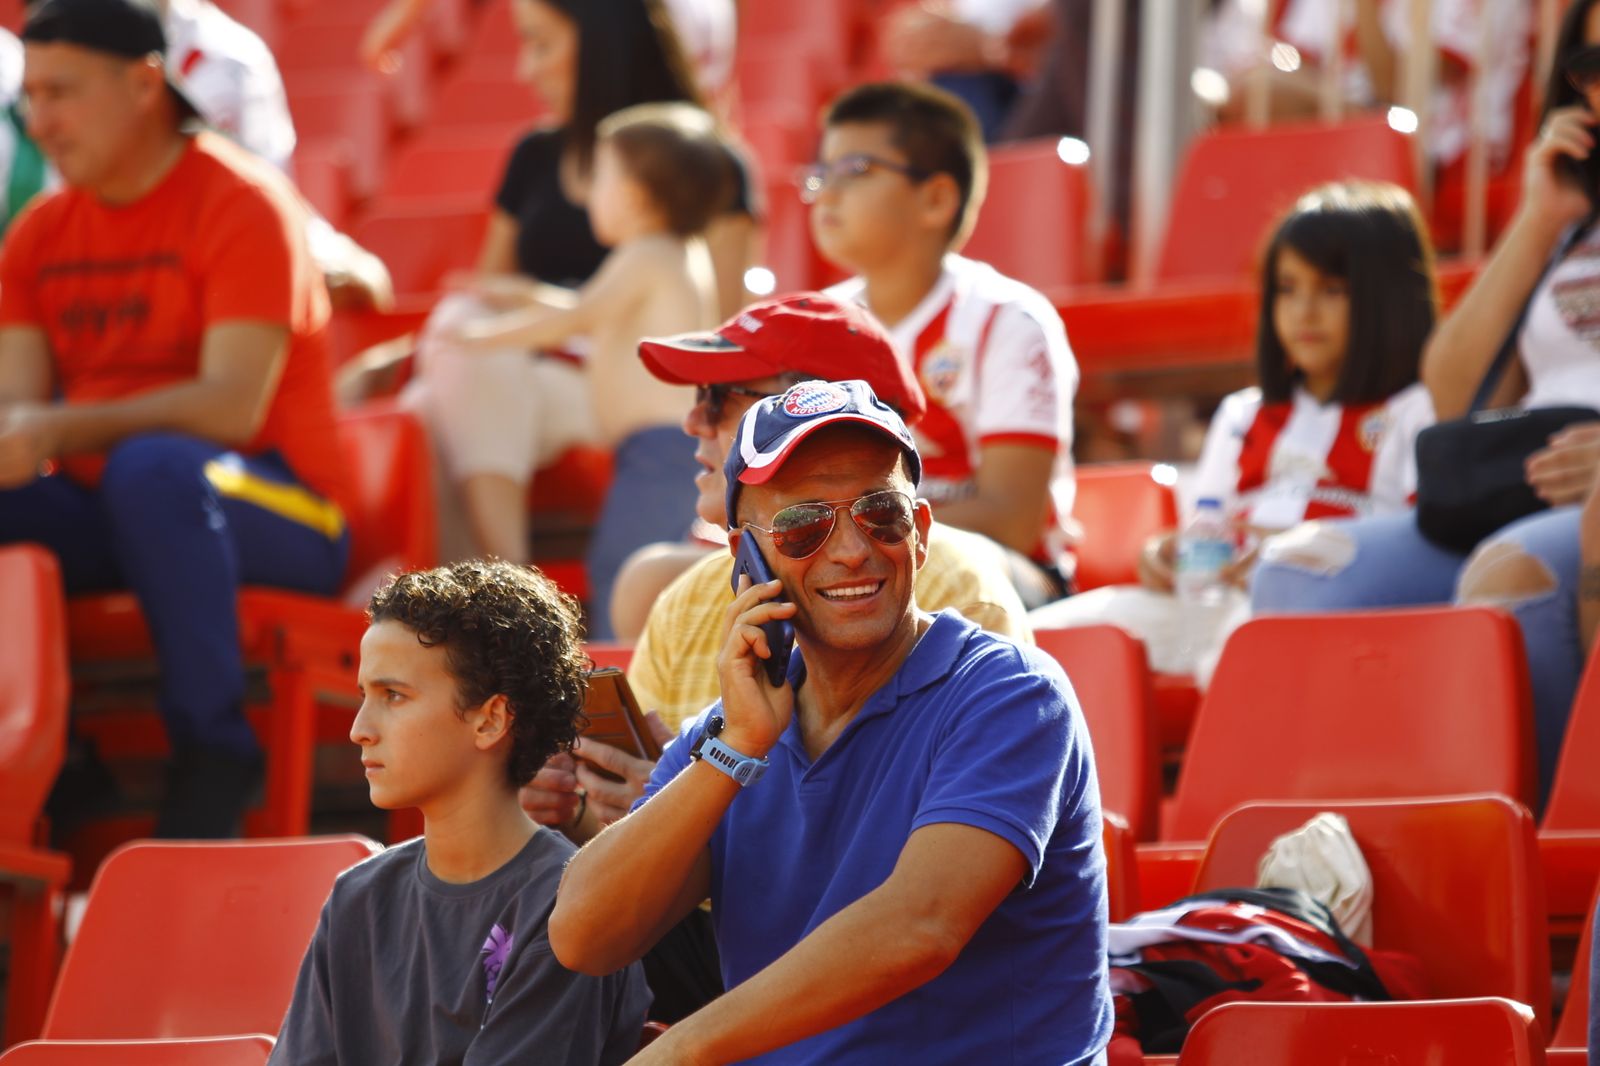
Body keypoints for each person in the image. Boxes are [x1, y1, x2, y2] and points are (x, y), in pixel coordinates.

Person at [549, 379, 1112, 1065]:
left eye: (882, 514)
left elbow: (920, 926)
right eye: (804, 526)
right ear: (745, 560)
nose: (851, 550)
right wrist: (738, 749)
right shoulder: (730, 734)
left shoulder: (1008, 694)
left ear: (922, 533)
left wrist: (684, 1050)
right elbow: (583, 935)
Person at [0, 0, 349, 837]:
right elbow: (19, 414)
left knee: (153, 468)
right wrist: (29, 436)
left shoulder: (243, 202)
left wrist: (52, 432)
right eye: (30, 99)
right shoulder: (37, 234)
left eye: (62, 93)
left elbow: (230, 407)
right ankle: (56, 754)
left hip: (278, 506)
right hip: (118, 504)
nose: (39, 121)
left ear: (143, 83)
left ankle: (214, 752)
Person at [1251, 0, 1600, 811]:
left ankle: (1534, 847)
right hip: (1517, 483)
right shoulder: (1568, 218)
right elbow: (1452, 390)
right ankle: (1325, 858)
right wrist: (1541, 217)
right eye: (1588, 69)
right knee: (1302, 571)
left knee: (1508, 570)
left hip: (1578, 511)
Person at [1032, 181, 1437, 678]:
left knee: (1238, 654)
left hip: (1320, 624)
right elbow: (1207, 526)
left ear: (1392, 299)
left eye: (1332, 290)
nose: (1304, 311)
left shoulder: (1417, 409)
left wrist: (1289, 551)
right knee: (1038, 642)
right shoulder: (1243, 414)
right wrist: (1165, 554)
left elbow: (1422, 546)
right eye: (1287, 289)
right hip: (1208, 606)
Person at [269, 560, 651, 1064]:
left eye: (393, 696)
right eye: (365, 696)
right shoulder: (358, 897)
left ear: (490, 720)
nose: (359, 728)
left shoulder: (566, 906)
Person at [436, 101, 733, 641]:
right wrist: (519, 293)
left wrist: (478, 338)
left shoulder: (646, 254)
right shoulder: (668, 252)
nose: (584, 192)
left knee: (626, 568)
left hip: (662, 448)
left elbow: (577, 317)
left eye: (599, 178)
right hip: (659, 448)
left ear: (639, 198)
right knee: (628, 566)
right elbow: (585, 306)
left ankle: (622, 692)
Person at [811, 80, 1079, 609]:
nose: (827, 193)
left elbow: (1012, 519)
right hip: (840, 558)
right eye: (823, 173)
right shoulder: (815, 322)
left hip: (1008, 576)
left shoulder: (1007, 320)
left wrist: (854, 530)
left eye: (856, 170)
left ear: (935, 199)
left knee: (933, 567)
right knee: (658, 580)